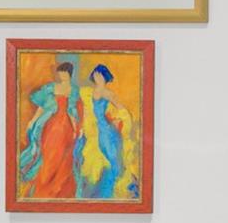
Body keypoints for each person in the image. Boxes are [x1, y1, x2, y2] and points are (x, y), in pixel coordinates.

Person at [17, 61, 81, 199]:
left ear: (69, 74)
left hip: (66, 128)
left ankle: (59, 187)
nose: (61, 77)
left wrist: (76, 128)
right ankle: (44, 184)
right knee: (48, 154)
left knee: (63, 157)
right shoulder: (52, 88)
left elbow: (73, 112)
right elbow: (42, 107)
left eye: (63, 74)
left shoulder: (74, 90)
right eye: (60, 74)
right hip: (51, 125)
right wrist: (32, 121)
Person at [76, 63, 140, 200]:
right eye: (95, 74)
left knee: (110, 160)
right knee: (88, 162)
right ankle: (93, 194)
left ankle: (108, 194)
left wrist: (119, 120)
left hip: (105, 131)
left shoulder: (108, 94)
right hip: (90, 130)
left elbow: (123, 111)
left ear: (104, 77)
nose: (97, 76)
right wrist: (81, 127)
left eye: (99, 75)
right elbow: (84, 112)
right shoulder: (87, 92)